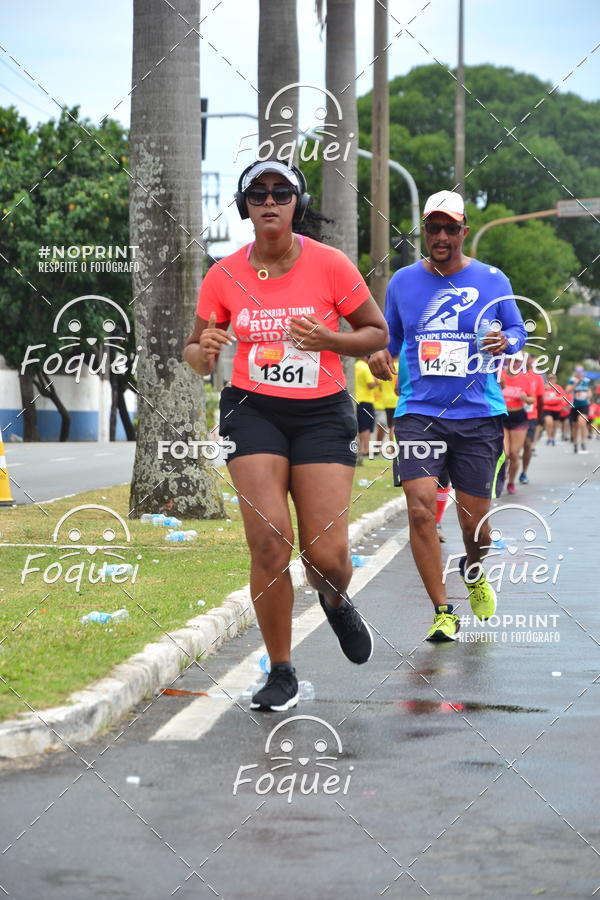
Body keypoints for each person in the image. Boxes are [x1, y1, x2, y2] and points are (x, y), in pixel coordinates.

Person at [184, 160, 388, 711]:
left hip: (322, 413)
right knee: (270, 541)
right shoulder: (223, 273)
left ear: (296, 203)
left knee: (327, 554)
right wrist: (202, 353)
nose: (269, 201)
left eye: (281, 192)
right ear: (245, 205)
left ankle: (334, 597)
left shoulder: (330, 265)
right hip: (253, 411)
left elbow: (375, 331)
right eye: (258, 193)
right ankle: (281, 671)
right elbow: (195, 346)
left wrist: (329, 339)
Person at [369, 189, 527, 642]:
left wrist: (507, 341)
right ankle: (442, 609)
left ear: (463, 232)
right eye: (433, 228)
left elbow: (516, 328)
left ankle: (473, 571)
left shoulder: (493, 279)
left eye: (450, 228)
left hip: (479, 413)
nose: (441, 236)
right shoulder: (402, 282)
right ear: (423, 230)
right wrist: (379, 355)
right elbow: (389, 338)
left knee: (474, 523)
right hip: (420, 411)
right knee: (420, 510)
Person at [500, 355, 533, 495]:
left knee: (514, 453)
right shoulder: (499, 375)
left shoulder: (525, 378)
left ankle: (511, 481)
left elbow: (532, 400)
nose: (514, 363)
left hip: (519, 417)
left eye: (518, 361)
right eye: (511, 360)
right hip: (502, 416)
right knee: (505, 453)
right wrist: (499, 387)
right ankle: (501, 477)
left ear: (521, 363)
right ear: (507, 361)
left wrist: (525, 398)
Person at [519, 355, 545, 484]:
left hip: (530, 416)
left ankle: (524, 472)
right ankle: (506, 471)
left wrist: (541, 416)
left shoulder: (537, 377)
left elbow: (540, 399)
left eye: (530, 359)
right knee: (511, 449)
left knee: (527, 445)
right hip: (512, 415)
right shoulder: (513, 375)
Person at [355, 356, 378, 456]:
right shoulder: (365, 367)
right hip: (366, 399)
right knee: (366, 426)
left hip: (355, 399)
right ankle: (366, 449)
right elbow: (370, 384)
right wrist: (377, 381)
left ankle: (360, 448)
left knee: (359, 425)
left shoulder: (355, 366)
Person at [566, 366, 592, 453]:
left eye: (581, 371)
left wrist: (589, 394)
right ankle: (575, 443)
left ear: (583, 372)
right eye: (578, 371)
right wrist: (575, 384)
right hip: (574, 405)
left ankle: (583, 442)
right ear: (575, 372)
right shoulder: (572, 380)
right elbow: (567, 390)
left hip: (584, 405)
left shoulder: (587, 381)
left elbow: (589, 390)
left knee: (582, 422)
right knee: (575, 426)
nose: (579, 373)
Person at [542, 374, 566, 446]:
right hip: (546, 407)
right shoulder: (545, 387)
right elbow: (540, 396)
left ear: (555, 380)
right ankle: (549, 437)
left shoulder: (558, 387)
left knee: (554, 425)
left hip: (556, 408)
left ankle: (552, 437)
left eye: (553, 379)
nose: (551, 380)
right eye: (550, 379)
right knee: (549, 422)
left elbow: (563, 397)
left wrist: (556, 398)